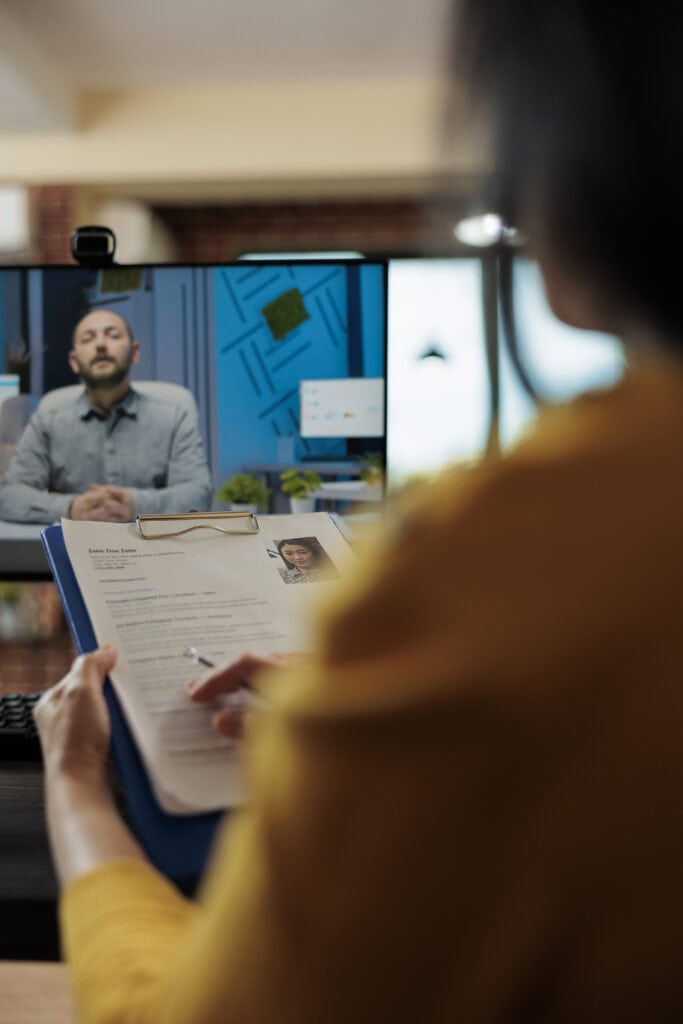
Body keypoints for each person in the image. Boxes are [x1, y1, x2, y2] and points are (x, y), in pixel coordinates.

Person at [34, 1, 683, 1021]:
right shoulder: (49, 422)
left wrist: (73, 779)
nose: (105, 345)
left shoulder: (502, 557)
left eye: (119, 331)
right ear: (73, 353)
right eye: (92, 336)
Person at [0, 309, 213, 523]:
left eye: (113, 335)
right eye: (88, 338)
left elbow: (198, 493)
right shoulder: (47, 422)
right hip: (72, 550)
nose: (101, 345)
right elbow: (9, 495)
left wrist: (135, 505)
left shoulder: (175, 418)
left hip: (153, 551)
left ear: (135, 352)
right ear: (73, 361)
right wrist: (71, 509)